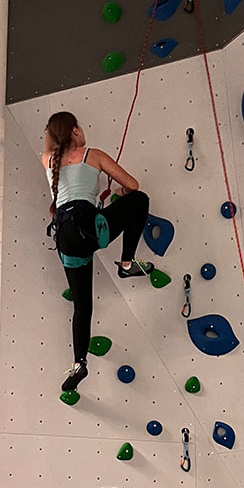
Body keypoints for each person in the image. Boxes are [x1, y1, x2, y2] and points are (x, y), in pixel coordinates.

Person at [42, 111, 153, 393]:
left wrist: (53, 136)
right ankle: (126, 263)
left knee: (83, 304)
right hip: (91, 229)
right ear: (76, 131)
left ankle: (79, 363)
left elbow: (50, 145)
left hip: (65, 242)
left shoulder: (49, 161)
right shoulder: (93, 154)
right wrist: (121, 194)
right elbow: (133, 185)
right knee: (140, 200)